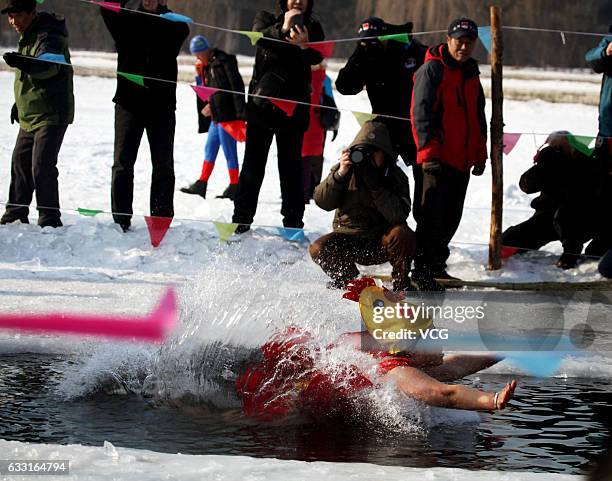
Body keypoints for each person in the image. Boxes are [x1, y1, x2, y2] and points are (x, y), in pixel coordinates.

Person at [236, 282, 517, 421]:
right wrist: (490, 401)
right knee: (235, 413)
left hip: (290, 374)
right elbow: (441, 393)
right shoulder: (396, 369)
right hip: (290, 395)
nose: (439, 341)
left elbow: (454, 367)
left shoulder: (390, 350)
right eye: (431, 336)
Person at [232, 0, 325, 234]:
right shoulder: (264, 17)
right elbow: (258, 38)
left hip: (294, 109)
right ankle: (241, 219)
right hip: (262, 105)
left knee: (291, 168)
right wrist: (282, 28)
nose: (298, 2)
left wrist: (304, 47)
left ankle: (293, 224)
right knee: (253, 165)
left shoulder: (313, 25)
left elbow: (317, 58)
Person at [411, 18, 487, 291]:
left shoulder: (471, 73)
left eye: (469, 42)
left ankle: (437, 268)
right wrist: (429, 153)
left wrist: (479, 154)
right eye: (459, 41)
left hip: (461, 160)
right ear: (448, 38)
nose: (464, 46)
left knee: (451, 218)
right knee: (430, 217)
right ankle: (421, 271)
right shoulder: (432, 69)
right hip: (435, 160)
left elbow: (478, 118)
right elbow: (420, 113)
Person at [100, 0, 189, 232]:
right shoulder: (125, 20)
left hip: (162, 106)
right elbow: (106, 7)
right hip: (128, 103)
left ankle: (160, 218)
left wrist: (163, 12)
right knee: (122, 163)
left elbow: (178, 35)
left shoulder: (175, 25)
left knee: (163, 164)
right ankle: (121, 218)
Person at [309, 121, 415, 291]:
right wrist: (340, 174)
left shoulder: (394, 176)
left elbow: (399, 215)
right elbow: (322, 201)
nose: (368, 156)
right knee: (318, 248)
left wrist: (376, 187)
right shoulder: (345, 171)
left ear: (385, 153)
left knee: (402, 234)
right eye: (363, 150)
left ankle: (401, 283)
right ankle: (347, 279)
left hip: (380, 241)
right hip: (349, 239)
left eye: (373, 151)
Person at [1, 0, 73, 228]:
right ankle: (15, 214)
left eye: (17, 16)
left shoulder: (49, 34)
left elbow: (47, 66)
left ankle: (49, 219)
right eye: (10, 16)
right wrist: (19, 103)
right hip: (31, 113)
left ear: (31, 13)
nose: (13, 22)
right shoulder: (29, 33)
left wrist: (22, 62)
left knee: (41, 165)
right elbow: (29, 78)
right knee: (20, 163)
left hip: (52, 112)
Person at [502, 132, 606, 269]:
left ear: (571, 146)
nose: (556, 150)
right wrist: (542, 165)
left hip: (579, 219)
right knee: (507, 240)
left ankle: (570, 256)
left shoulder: (585, 161)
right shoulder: (549, 161)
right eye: (553, 147)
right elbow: (526, 186)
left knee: (565, 217)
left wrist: (565, 162)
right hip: (546, 218)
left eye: (559, 147)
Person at [336, 17, 427, 167]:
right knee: (376, 173)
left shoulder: (408, 49)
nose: (372, 46)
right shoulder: (365, 55)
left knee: (423, 174)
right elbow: (345, 87)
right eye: (365, 42)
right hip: (384, 128)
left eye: (374, 41)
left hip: (414, 124)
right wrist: (360, 52)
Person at [180, 35, 246, 201]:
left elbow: (236, 87)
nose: (197, 58)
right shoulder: (205, 66)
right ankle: (202, 183)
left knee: (229, 152)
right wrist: (199, 75)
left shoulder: (225, 61)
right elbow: (206, 89)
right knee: (209, 149)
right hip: (216, 116)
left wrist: (240, 114)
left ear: (205, 50)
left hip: (228, 115)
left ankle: (235, 185)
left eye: (198, 54)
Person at [301, 62, 327, 203]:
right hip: (316, 126)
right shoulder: (322, 78)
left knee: (302, 163)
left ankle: (304, 195)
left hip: (306, 125)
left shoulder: (309, 77)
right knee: (312, 163)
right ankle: (310, 192)